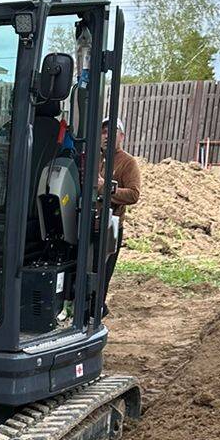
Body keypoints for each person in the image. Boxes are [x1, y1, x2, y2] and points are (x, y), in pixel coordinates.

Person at [99, 116, 140, 314]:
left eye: (113, 132)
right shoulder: (91, 157)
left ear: (121, 136)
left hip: (110, 226)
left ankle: (97, 309)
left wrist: (106, 189)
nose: (107, 136)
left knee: (103, 273)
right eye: (104, 132)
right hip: (88, 223)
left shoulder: (128, 162)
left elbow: (133, 194)